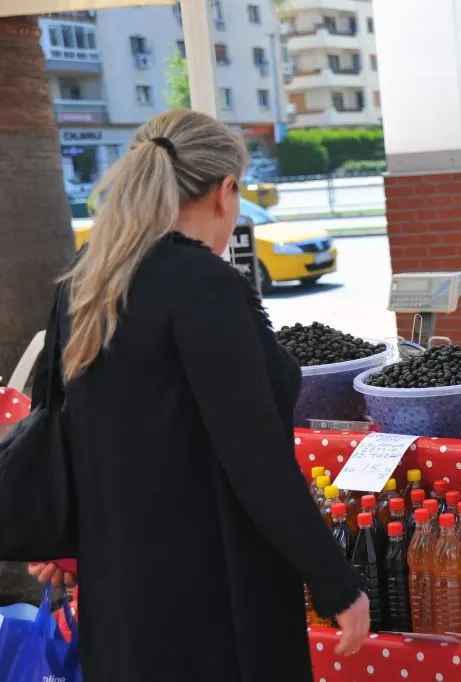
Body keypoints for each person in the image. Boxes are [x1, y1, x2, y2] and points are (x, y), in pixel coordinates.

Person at [25, 109, 369, 682]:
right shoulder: (203, 286)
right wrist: (335, 580)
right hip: (213, 592)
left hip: (119, 589)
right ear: (225, 191)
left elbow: (57, 421)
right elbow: (255, 459)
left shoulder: (87, 277)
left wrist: (62, 540)